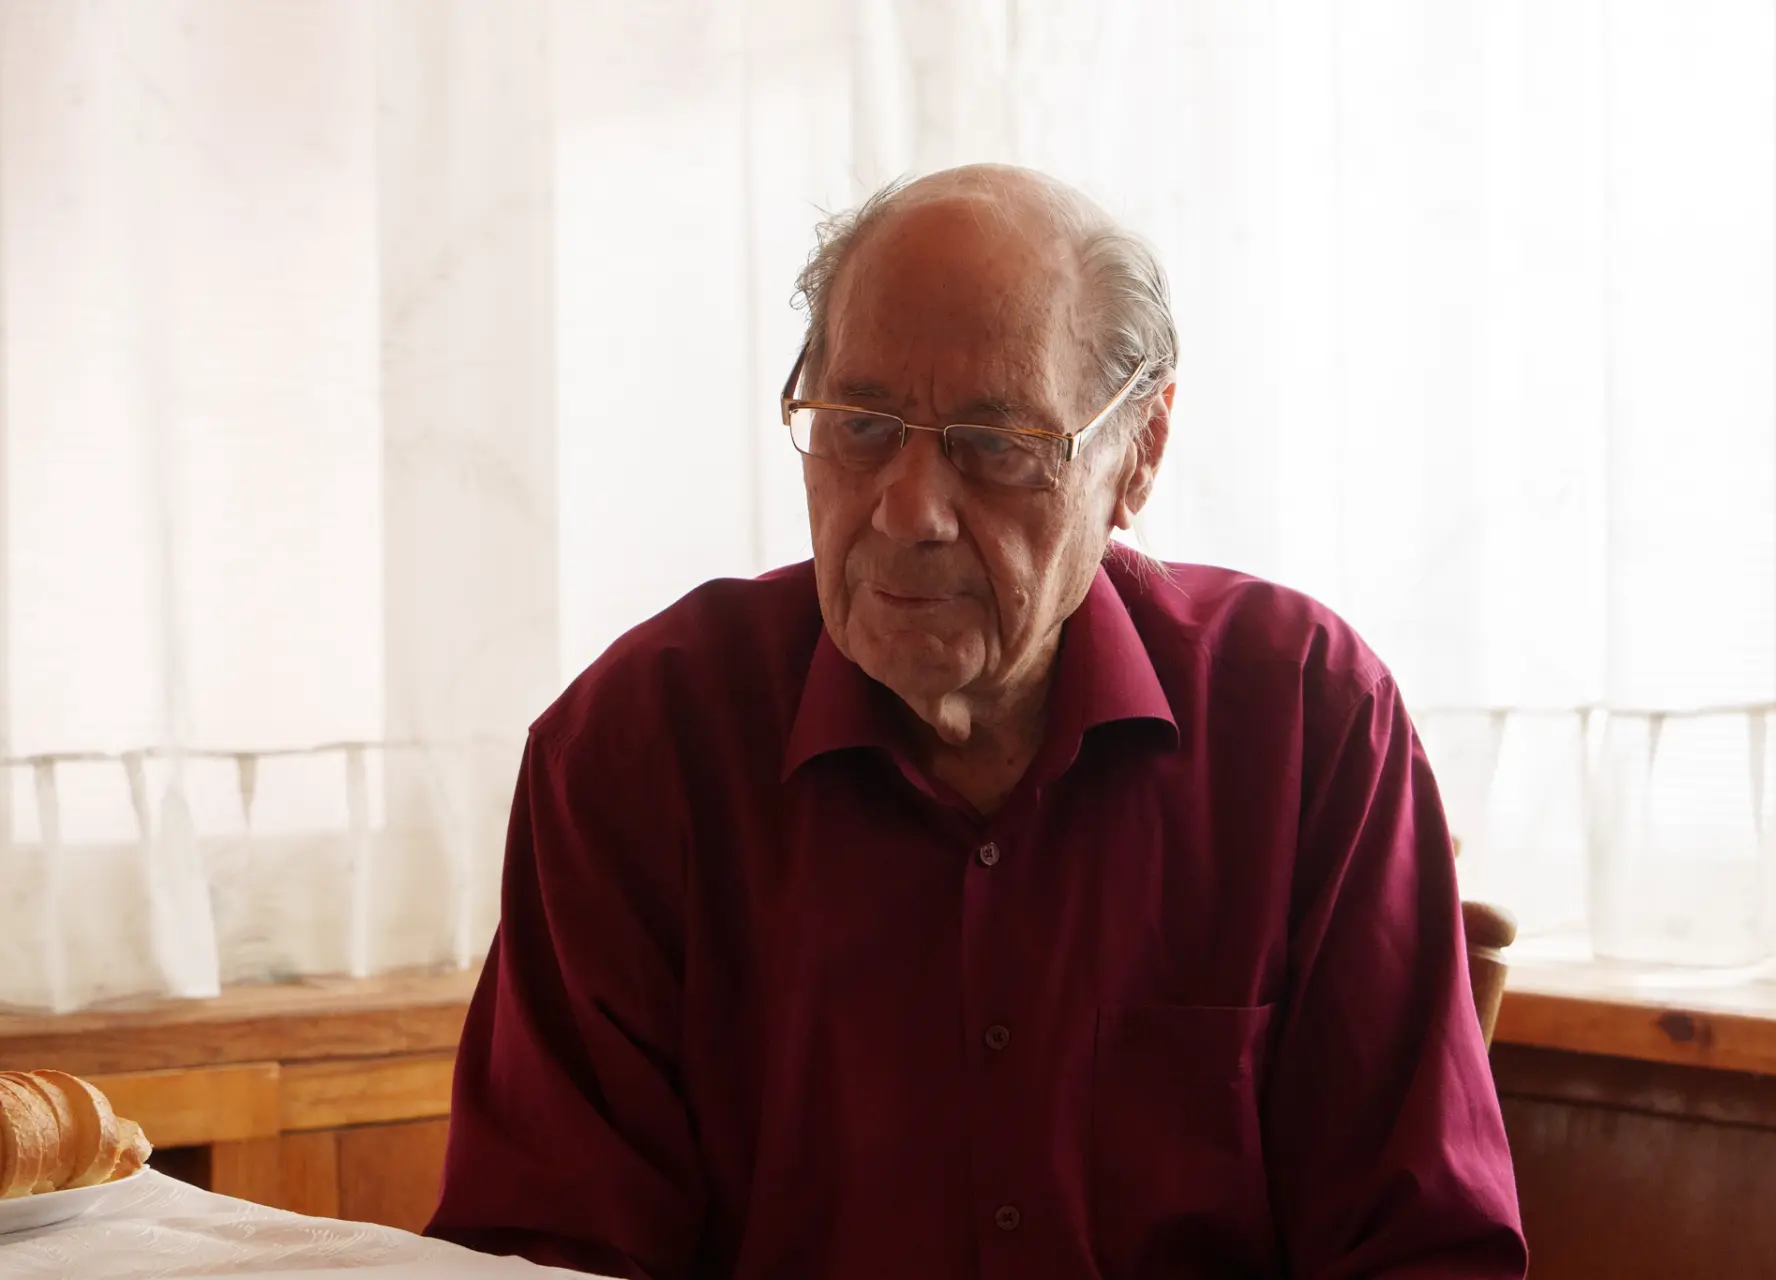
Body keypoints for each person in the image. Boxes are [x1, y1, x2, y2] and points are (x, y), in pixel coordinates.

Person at [427, 165, 1527, 1279]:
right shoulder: (638, 747)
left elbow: (1421, 1252)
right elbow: (544, 1250)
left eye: (995, 445)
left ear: (1138, 452)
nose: (910, 511)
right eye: (861, 426)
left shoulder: (1304, 719)